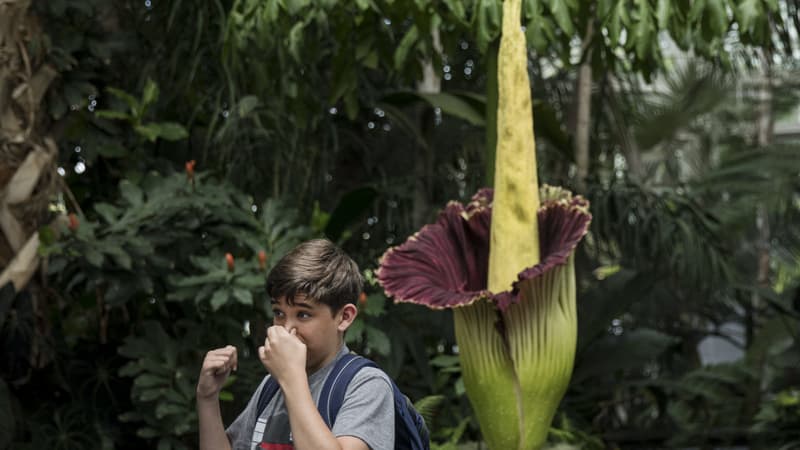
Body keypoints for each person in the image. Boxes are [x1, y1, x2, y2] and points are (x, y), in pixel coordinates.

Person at [196, 239, 395, 450]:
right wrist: (207, 399)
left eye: (303, 314)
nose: (287, 330)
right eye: (279, 313)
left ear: (344, 317)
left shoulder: (367, 385)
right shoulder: (271, 386)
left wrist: (291, 377)